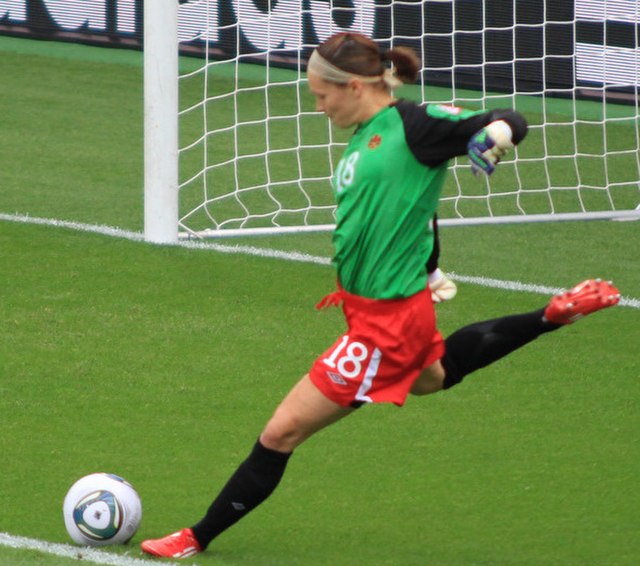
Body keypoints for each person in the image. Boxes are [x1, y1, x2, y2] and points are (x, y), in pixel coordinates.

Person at [141, 33, 620, 559]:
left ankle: (195, 537)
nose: (319, 107)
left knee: (280, 433)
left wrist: (497, 134)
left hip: (385, 325)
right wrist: (430, 265)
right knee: (431, 378)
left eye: (322, 96)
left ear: (352, 86)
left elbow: (509, 118)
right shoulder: (365, 133)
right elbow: (413, 200)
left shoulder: (412, 126)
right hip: (381, 308)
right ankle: (550, 316)